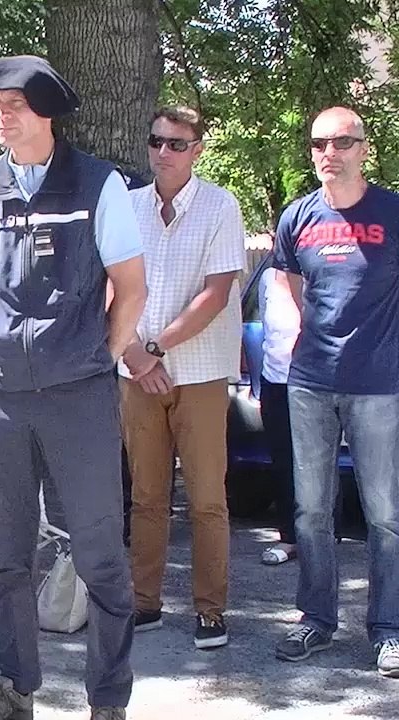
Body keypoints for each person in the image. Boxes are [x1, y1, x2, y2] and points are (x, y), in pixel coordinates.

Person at [0, 56, 146, 720]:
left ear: (47, 113)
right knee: (6, 557)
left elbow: (132, 288)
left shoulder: (97, 183)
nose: (0, 116)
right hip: (1, 395)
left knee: (100, 556)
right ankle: (16, 688)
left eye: (14, 105)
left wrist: (97, 357)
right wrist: (14, 349)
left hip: (79, 395)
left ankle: (108, 699)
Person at [271, 106, 399, 679]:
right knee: (311, 511)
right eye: (320, 143)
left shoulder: (391, 212)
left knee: (385, 514)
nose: (330, 153)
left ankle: (389, 629)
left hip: (380, 384)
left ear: (363, 149)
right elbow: (290, 285)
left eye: (343, 142)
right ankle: (316, 620)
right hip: (311, 383)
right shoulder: (297, 216)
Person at [121, 106, 245, 650]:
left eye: (176, 144)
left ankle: (210, 610)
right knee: (146, 497)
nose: (163, 153)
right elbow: (108, 287)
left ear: (197, 150)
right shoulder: (126, 208)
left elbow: (215, 295)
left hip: (199, 373)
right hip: (136, 374)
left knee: (206, 499)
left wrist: (154, 350)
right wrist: (134, 354)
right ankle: (143, 603)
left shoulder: (221, 205)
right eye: (156, 141)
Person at [257, 266, 299, 567]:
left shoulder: (315, 268)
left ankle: (324, 534)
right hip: (274, 380)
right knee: (282, 460)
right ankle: (289, 536)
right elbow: (265, 324)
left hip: (312, 380)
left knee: (315, 463)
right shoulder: (267, 278)